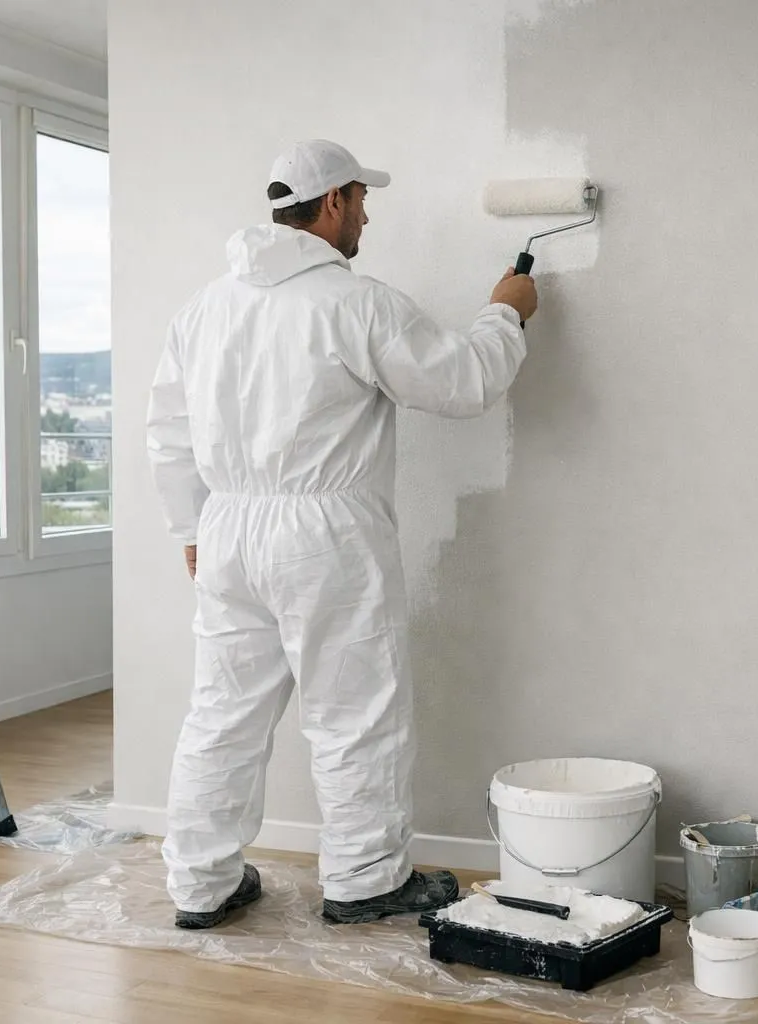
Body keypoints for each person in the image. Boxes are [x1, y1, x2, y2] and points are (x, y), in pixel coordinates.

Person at [146, 139, 539, 929]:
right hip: (324, 532)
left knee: (222, 712)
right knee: (355, 706)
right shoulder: (354, 302)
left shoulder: (206, 305)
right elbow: (462, 384)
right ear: (333, 203)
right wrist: (507, 310)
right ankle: (364, 880)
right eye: (362, 201)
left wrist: (193, 526)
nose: (366, 218)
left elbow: (167, 430)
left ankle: (201, 884)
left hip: (228, 527)